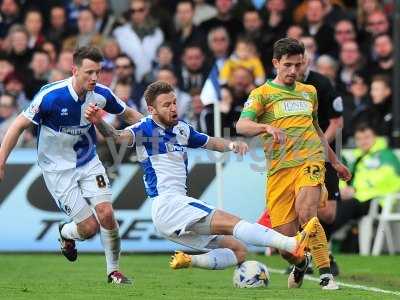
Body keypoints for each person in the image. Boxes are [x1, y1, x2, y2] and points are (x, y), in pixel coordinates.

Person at [84, 80, 317, 273]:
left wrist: (232, 145)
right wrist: (98, 122)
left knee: (238, 250)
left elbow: (208, 141)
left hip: (173, 212)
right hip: (168, 203)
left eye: (174, 102)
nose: (173, 108)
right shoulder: (145, 129)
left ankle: (189, 260)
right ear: (152, 110)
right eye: (166, 105)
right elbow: (116, 137)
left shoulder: (181, 129)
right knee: (234, 222)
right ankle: (291, 243)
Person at [0, 46, 143, 284]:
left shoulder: (101, 94)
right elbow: (17, 125)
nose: (94, 78)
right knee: (88, 229)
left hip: (88, 161)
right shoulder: (51, 96)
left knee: (107, 213)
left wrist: (156, 124)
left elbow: (128, 114)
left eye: (97, 72)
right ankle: (66, 233)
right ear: (74, 70)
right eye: (89, 72)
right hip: (57, 169)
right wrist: (1, 160)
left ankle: (113, 271)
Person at [236, 38, 351, 290]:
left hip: (309, 161)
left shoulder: (309, 92)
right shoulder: (261, 94)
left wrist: (335, 162)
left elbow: (317, 130)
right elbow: (241, 125)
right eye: (287, 65)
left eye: (298, 65)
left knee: (307, 212)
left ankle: (325, 275)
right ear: (275, 63)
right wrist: (265, 126)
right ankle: (300, 263)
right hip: (279, 171)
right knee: (286, 245)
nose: (293, 71)